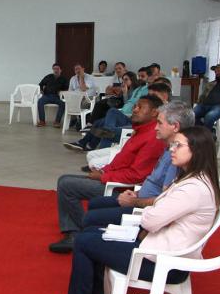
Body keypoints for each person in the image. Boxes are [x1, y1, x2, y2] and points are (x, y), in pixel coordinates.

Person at [55, 125, 220, 294]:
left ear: (196, 151)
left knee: (84, 241)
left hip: (163, 262)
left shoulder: (192, 188)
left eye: (178, 145)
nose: (172, 149)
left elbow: (152, 221)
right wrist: (150, 212)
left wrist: (147, 213)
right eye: (173, 144)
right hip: (160, 249)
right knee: (89, 236)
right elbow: (157, 212)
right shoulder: (192, 180)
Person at [49, 95, 166, 253]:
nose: (135, 109)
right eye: (135, 106)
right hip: (113, 177)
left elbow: (137, 175)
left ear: (154, 113)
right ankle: (76, 229)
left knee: (66, 185)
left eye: (140, 107)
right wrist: (105, 170)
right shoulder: (140, 131)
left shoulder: (152, 137)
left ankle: (77, 233)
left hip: (121, 188)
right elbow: (122, 162)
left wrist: (103, 177)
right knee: (65, 179)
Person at [81, 101, 195, 230]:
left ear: (175, 126)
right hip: (139, 198)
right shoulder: (168, 148)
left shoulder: (176, 157)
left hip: (145, 211)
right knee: (95, 204)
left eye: (159, 123)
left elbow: (165, 201)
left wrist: (134, 201)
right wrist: (137, 193)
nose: (155, 127)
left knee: (90, 219)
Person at [65, 73, 148, 152]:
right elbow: (127, 104)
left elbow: (131, 106)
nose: (124, 82)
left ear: (132, 80)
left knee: (109, 114)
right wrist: (124, 92)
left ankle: (89, 143)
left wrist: (125, 93)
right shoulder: (136, 89)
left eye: (126, 80)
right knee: (98, 122)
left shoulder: (141, 91)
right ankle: (86, 144)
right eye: (123, 80)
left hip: (126, 116)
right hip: (122, 113)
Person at [37, 63, 69, 127]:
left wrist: (62, 91)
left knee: (63, 104)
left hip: (58, 97)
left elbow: (67, 88)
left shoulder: (64, 79)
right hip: (47, 96)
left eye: (57, 69)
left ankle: (57, 122)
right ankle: (42, 121)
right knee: (40, 102)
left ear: (60, 70)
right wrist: (41, 90)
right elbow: (40, 84)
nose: (56, 70)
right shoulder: (48, 76)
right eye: (54, 69)